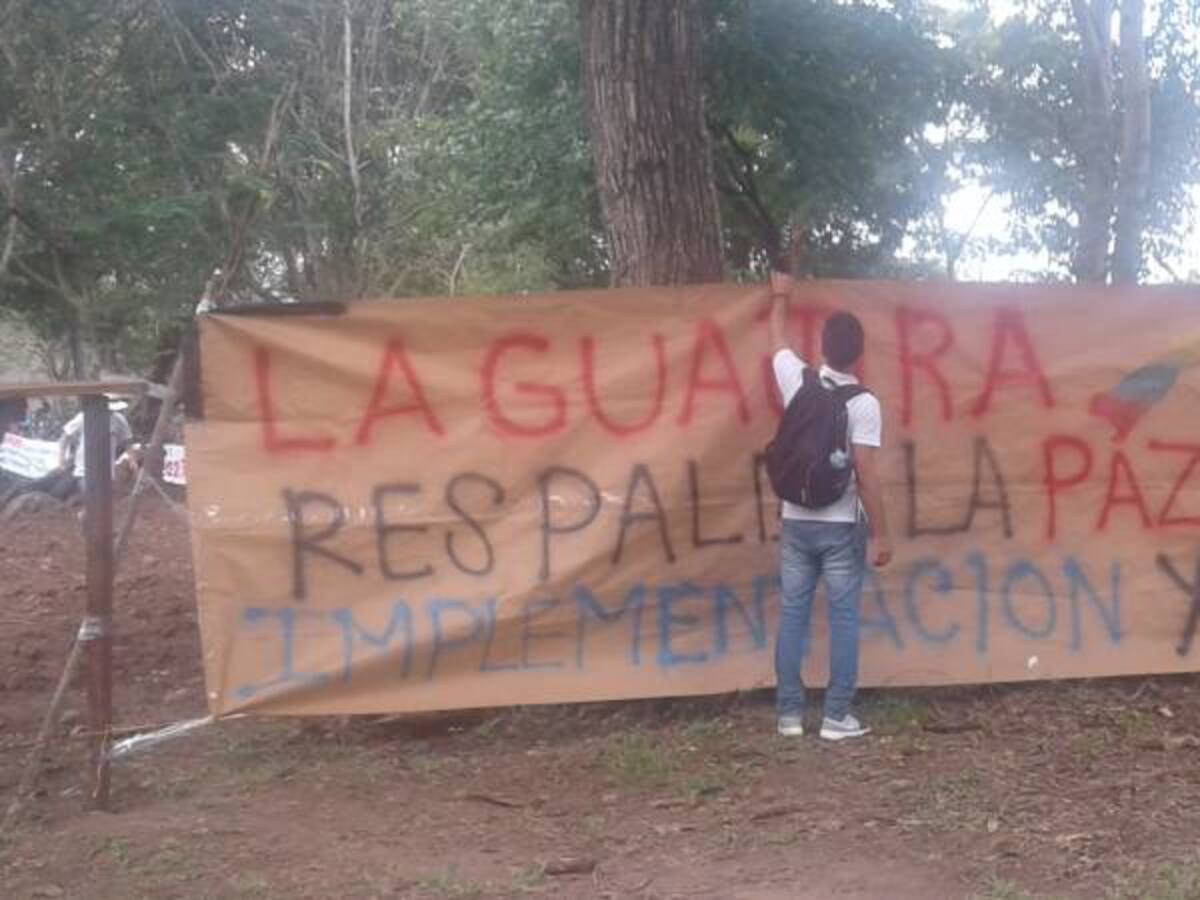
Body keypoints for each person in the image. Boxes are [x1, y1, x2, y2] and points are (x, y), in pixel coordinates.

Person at [766, 271, 892, 742]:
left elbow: (776, 339)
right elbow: (867, 474)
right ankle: (837, 715)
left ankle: (789, 715)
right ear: (859, 354)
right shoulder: (864, 403)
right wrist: (881, 533)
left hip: (795, 521)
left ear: (821, 345)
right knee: (842, 619)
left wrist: (781, 295)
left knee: (793, 615)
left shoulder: (797, 381)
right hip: (840, 526)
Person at [59, 395, 134, 496]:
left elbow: (127, 440)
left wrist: (132, 459)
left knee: (104, 497)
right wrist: (61, 458)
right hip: (84, 469)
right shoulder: (84, 416)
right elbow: (65, 436)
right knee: (89, 494)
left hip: (107, 471)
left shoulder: (119, 419)